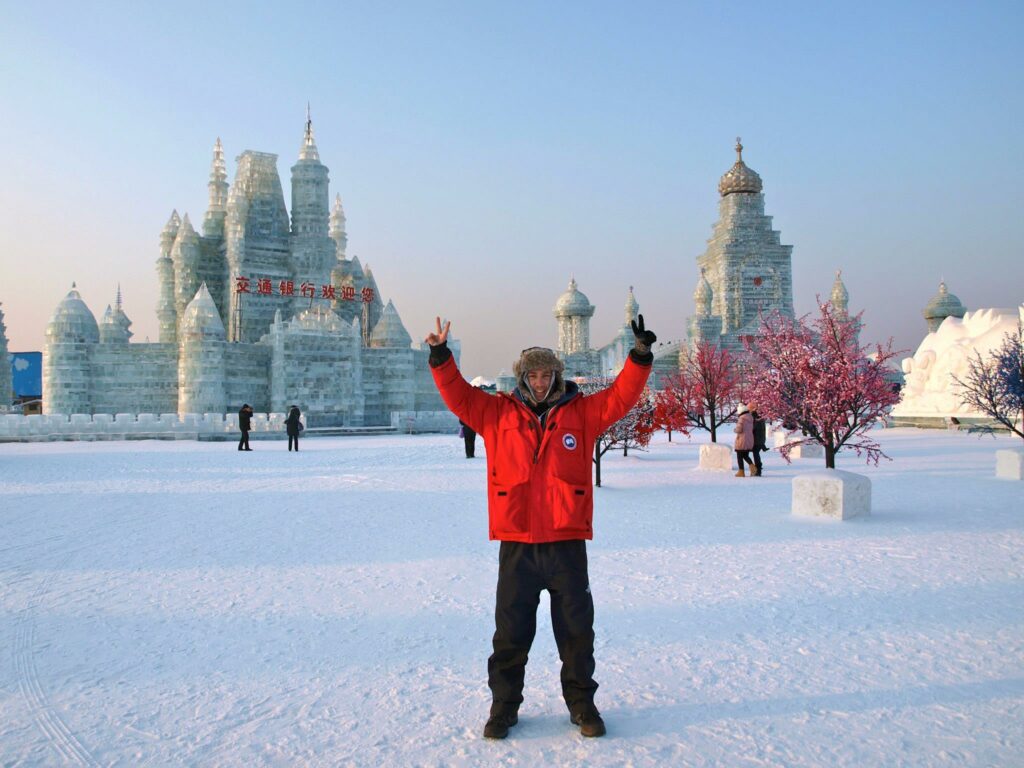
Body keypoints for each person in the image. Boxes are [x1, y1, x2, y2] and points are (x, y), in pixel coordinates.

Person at [425, 313, 656, 740]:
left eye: (546, 373)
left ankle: (583, 706)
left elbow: (621, 397)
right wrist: (440, 355)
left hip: (566, 541)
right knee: (510, 634)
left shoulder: (581, 413)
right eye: (531, 374)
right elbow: (458, 397)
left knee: (576, 633)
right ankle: (503, 708)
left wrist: (639, 357)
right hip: (517, 544)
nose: (539, 380)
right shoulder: (496, 413)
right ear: (521, 377)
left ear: (556, 375)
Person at [734, 403, 755, 477]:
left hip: (742, 439)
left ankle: (741, 471)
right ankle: (753, 467)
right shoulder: (750, 417)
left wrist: (735, 430)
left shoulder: (741, 418)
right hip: (749, 439)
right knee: (745, 455)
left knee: (739, 455)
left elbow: (739, 429)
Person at [750, 402, 767, 477]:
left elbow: (753, 428)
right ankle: (757, 469)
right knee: (756, 454)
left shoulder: (755, 417)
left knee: (755, 454)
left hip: (756, 440)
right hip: (761, 439)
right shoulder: (761, 417)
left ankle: (757, 470)